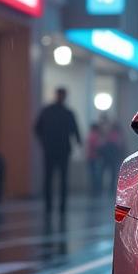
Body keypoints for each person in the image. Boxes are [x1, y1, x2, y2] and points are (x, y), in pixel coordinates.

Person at [35, 88, 82, 217]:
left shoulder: (49, 111)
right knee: (57, 178)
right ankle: (56, 206)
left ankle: (53, 206)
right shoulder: (66, 113)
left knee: (52, 178)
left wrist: (44, 142)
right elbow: (75, 130)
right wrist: (78, 142)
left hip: (53, 149)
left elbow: (37, 129)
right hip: (60, 149)